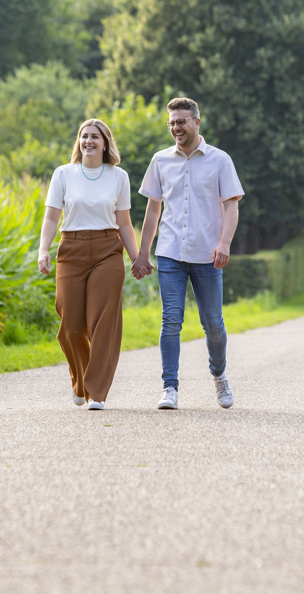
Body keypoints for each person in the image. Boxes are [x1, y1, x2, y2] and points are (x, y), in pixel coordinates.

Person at [132, 98, 244, 410]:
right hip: (170, 252)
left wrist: (224, 243)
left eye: (181, 121)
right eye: (171, 123)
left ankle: (219, 375)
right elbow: (153, 211)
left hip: (208, 253)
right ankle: (170, 387)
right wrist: (143, 254)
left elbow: (231, 205)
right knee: (170, 320)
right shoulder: (160, 160)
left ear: (196, 122)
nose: (176, 128)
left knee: (213, 323)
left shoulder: (220, 160)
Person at [38, 119, 139, 411]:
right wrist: (43, 249)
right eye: (85, 136)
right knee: (70, 324)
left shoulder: (118, 176)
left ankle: (97, 392)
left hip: (108, 251)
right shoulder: (64, 174)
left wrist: (136, 257)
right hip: (71, 249)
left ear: (105, 143)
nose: (89, 141)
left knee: (103, 322)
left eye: (95, 137)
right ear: (78, 141)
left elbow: (124, 223)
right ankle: (80, 382)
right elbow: (51, 218)